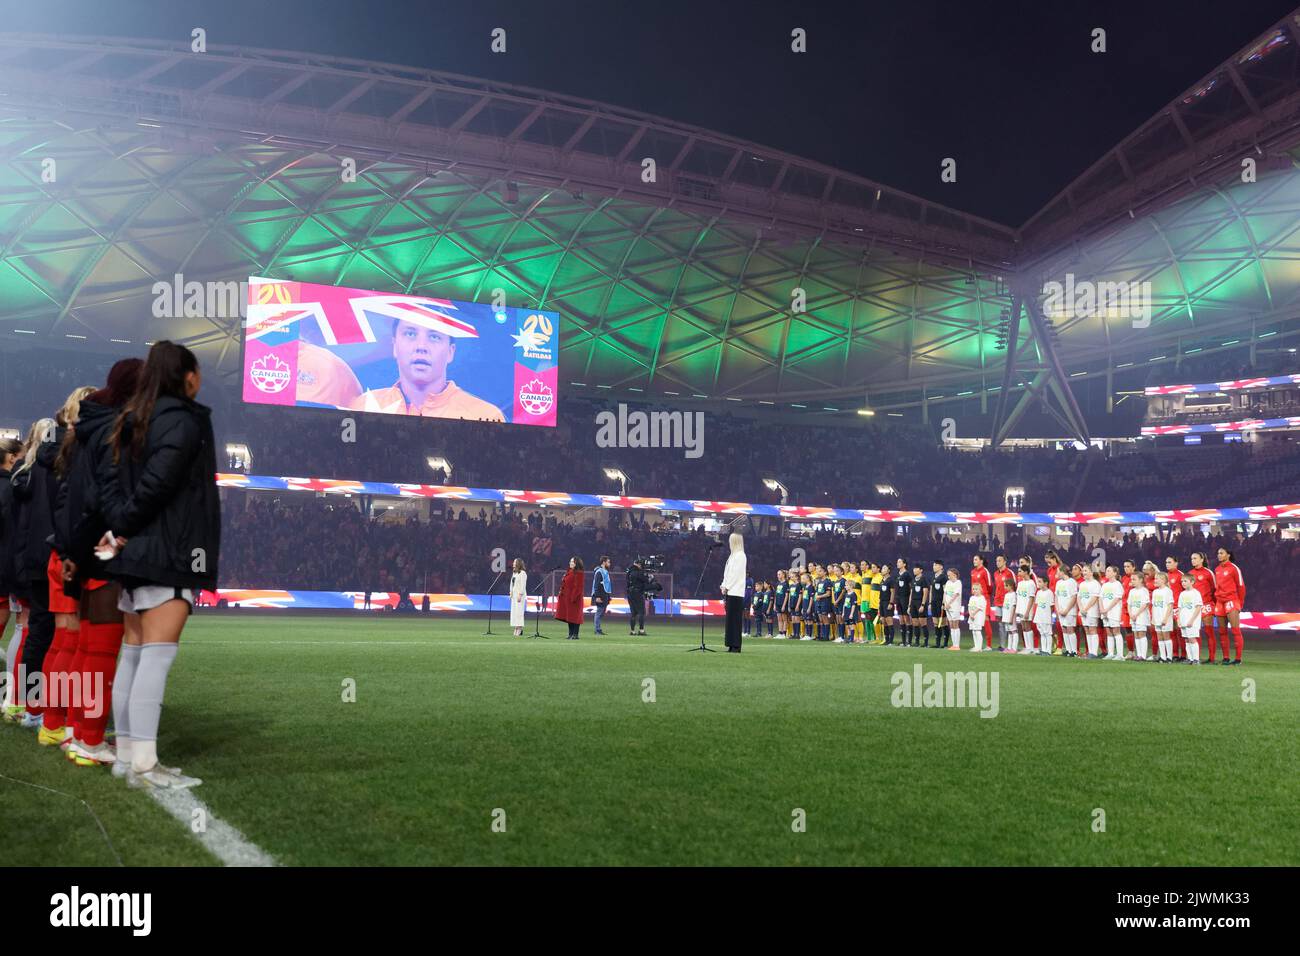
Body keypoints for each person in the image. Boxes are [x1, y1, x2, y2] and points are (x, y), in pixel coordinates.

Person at [98, 341, 220, 789]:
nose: (200, 379)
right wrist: (126, 523)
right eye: (198, 371)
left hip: (136, 554)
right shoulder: (183, 422)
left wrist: (118, 528)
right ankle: (145, 764)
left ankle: (127, 755)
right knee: (156, 657)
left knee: (133, 654)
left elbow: (109, 484)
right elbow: (158, 486)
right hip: (169, 552)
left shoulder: (130, 421)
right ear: (185, 375)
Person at [348, 315, 504, 421]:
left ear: (450, 352)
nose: (421, 347)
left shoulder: (484, 415)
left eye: (434, 337)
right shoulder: (363, 406)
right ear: (394, 346)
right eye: (410, 334)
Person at [1214, 547, 1245, 665]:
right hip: (1220, 602)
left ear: (1228, 555)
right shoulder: (1217, 569)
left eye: (1221, 553)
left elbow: (1241, 586)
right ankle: (1226, 658)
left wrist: (1240, 603)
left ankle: (1238, 659)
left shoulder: (1234, 568)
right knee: (1222, 631)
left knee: (1235, 630)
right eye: (1218, 553)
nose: (1219, 555)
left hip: (1231, 600)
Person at [1189, 551, 1217, 662]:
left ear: (1202, 560)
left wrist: (1213, 603)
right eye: (1192, 558)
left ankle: (1212, 658)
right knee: (1195, 632)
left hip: (1206, 605)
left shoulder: (1208, 573)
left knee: (1209, 631)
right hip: (1194, 607)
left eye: (1195, 558)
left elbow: (1214, 588)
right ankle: (1196, 657)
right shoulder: (1190, 573)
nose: (1193, 560)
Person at [721, 533, 746, 653]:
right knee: (730, 619)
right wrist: (723, 585)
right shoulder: (732, 556)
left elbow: (735, 574)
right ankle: (730, 643)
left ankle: (736, 645)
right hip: (730, 591)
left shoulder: (741, 556)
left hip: (736, 592)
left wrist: (727, 586)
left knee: (735, 619)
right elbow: (727, 573)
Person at [554, 556, 584, 639]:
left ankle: (575, 634)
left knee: (575, 617)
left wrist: (573, 597)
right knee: (569, 616)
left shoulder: (579, 573)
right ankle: (570, 634)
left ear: (576, 563)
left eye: (572, 562)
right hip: (567, 598)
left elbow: (578, 587)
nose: (570, 563)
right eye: (570, 561)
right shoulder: (569, 571)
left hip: (575, 598)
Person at [1100, 566, 1125, 660]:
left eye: (1109, 571)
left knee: (1116, 631)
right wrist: (1102, 609)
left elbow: (1117, 598)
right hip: (1105, 612)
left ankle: (1120, 655)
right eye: (1106, 570)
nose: (1106, 572)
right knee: (1109, 632)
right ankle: (1110, 653)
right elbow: (1100, 597)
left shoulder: (1117, 584)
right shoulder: (1105, 585)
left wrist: (1107, 609)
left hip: (1114, 612)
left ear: (1115, 573)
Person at [1177, 572, 1203, 666]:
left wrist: (1192, 620)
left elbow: (1198, 607)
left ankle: (1196, 659)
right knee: (1187, 640)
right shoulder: (1182, 594)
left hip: (1192, 621)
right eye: (1182, 581)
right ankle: (1190, 659)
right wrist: (1179, 619)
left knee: (1192, 639)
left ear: (1192, 582)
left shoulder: (1196, 593)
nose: (1183, 583)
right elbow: (1180, 608)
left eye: (1185, 581)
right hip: (1183, 620)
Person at [943, 568, 963, 651]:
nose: (948, 577)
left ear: (954, 575)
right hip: (947, 607)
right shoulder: (948, 582)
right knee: (951, 625)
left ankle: (957, 645)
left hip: (954, 606)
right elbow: (945, 593)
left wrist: (949, 603)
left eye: (949, 575)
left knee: (955, 624)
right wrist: (944, 603)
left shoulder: (958, 583)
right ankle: (953, 645)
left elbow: (956, 595)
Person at [591, 555, 611, 635]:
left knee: (601, 612)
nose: (610, 564)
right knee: (599, 613)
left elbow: (606, 584)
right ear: (604, 562)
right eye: (608, 562)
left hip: (604, 594)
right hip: (600, 595)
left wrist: (608, 596)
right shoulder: (599, 572)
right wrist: (597, 596)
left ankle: (598, 629)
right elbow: (596, 585)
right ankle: (597, 630)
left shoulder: (605, 571)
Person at [509, 558, 527, 637]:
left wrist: (520, 594)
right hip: (514, 595)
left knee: (519, 612)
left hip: (520, 595)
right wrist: (511, 592)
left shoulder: (522, 573)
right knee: (514, 612)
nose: (513, 563)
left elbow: (523, 585)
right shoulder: (514, 573)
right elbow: (511, 584)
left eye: (514, 562)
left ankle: (519, 628)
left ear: (518, 563)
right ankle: (515, 627)